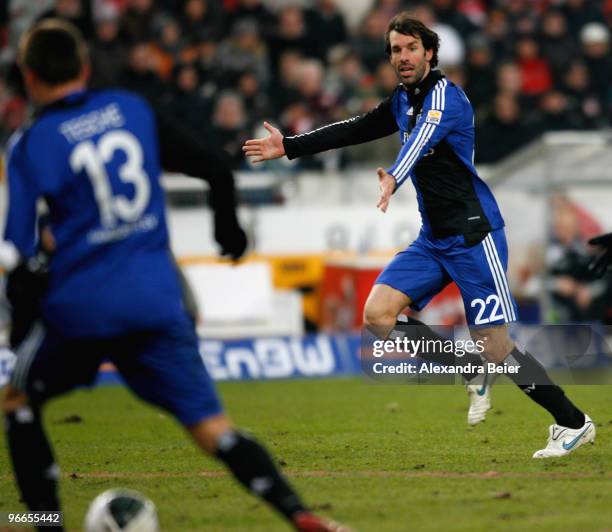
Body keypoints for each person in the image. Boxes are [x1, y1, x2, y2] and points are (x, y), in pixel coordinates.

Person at [2, 19, 346, 532]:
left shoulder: (30, 144)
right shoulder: (130, 109)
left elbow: (20, 253)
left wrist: (25, 322)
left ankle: (45, 522)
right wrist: (227, 227)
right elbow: (212, 163)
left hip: (83, 306)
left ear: (28, 78)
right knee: (214, 430)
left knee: (18, 400)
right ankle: (300, 514)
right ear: (86, 67)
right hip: (157, 301)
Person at [243, 12, 595, 458]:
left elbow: (421, 137)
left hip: (474, 237)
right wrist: (290, 146)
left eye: (410, 48)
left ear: (429, 52)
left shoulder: (447, 97)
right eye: (395, 50)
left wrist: (393, 176)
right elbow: (358, 127)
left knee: (497, 346)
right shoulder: (401, 100)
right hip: (434, 240)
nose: (402, 57)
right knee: (377, 316)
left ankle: (572, 422)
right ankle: (465, 367)